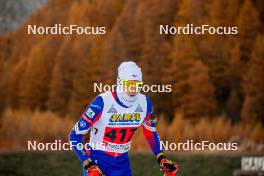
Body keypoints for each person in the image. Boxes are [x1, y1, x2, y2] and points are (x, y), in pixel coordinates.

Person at [69, 61, 179, 176]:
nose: (133, 89)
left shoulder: (145, 103)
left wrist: (161, 158)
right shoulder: (102, 102)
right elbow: (74, 136)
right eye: (129, 84)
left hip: (122, 163)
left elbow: (150, 132)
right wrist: (89, 165)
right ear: (120, 83)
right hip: (98, 161)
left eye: (137, 85)